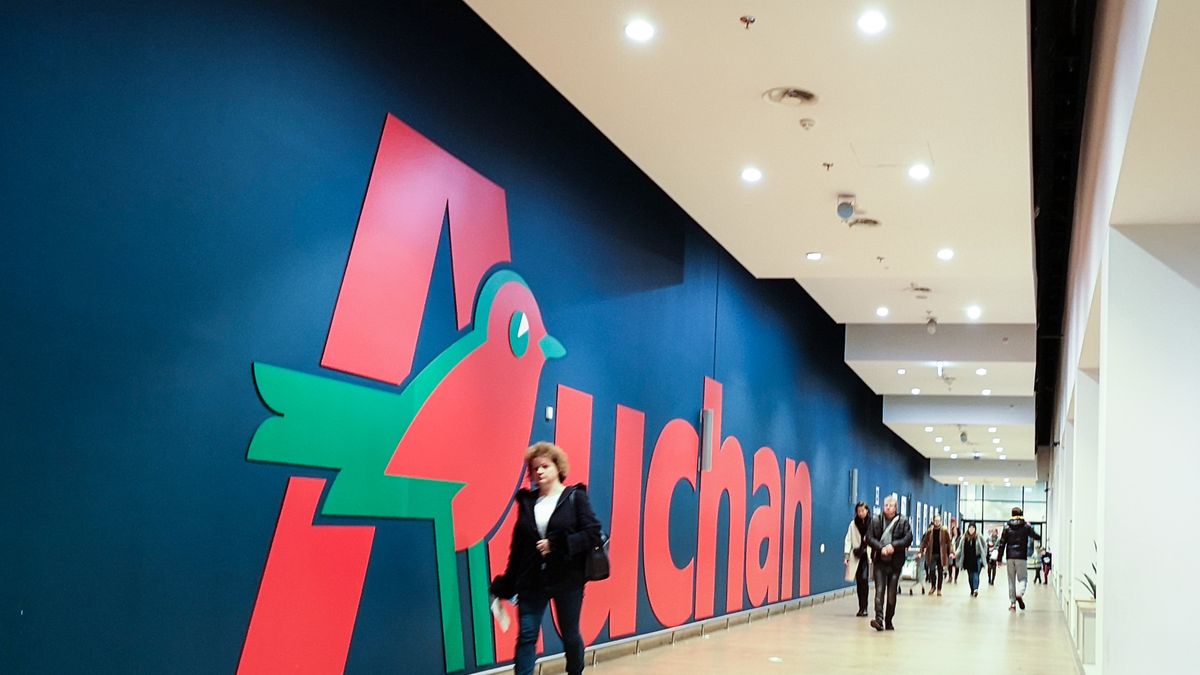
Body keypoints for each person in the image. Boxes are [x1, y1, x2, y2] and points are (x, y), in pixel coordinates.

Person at [490, 442, 603, 675]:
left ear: (557, 468)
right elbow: (518, 548)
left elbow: (593, 533)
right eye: (534, 468)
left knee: (570, 634)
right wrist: (507, 584)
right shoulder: (528, 503)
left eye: (544, 466)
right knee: (527, 636)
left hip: (567, 579)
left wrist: (558, 544)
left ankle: (575, 671)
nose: (538, 472)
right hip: (532, 581)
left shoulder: (575, 497)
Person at [866, 494, 913, 631]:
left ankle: (889, 619)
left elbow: (908, 538)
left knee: (892, 593)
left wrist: (894, 546)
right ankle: (879, 619)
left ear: (895, 507)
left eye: (890, 505)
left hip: (896, 563)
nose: (887, 508)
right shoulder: (875, 520)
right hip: (880, 561)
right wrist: (881, 548)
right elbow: (869, 538)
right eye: (885, 505)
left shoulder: (903, 521)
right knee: (879, 590)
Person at [995, 506, 1042, 611]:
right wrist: (1034, 531)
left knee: (1011, 580)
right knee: (1023, 578)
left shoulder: (1007, 526)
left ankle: (1012, 604)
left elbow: (1002, 543)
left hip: (1010, 557)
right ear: (1021, 514)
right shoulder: (1026, 526)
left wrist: (999, 559)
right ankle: (1019, 594)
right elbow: (1036, 536)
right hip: (1021, 557)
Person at [844, 501, 873, 617]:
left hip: (867, 555)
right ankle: (861, 607)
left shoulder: (872, 523)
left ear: (867, 511)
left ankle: (864, 607)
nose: (861, 513)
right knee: (859, 582)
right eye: (859, 511)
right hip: (856, 555)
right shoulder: (853, 524)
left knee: (864, 581)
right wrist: (846, 556)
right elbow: (848, 540)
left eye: (863, 510)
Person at [918, 515, 951, 596]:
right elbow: (924, 542)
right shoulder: (929, 531)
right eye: (936, 520)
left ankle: (939, 589)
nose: (937, 522)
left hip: (941, 555)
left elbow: (948, 542)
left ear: (941, 521)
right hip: (932, 554)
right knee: (932, 571)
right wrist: (921, 551)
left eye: (938, 520)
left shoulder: (944, 531)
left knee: (940, 572)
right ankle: (933, 586)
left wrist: (950, 552)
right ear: (933, 521)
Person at [956, 523, 986, 597]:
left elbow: (984, 545)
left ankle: (976, 589)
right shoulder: (964, 538)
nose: (971, 529)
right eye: (970, 528)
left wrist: (984, 555)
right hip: (968, 559)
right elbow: (960, 548)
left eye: (973, 528)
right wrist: (955, 554)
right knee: (970, 576)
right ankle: (972, 589)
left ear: (975, 529)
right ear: (968, 528)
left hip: (977, 559)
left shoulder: (979, 536)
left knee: (976, 574)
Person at [947, 518, 961, 584]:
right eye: (953, 530)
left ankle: (955, 578)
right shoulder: (951, 538)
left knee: (956, 566)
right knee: (950, 565)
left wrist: (957, 553)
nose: (954, 531)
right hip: (951, 553)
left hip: (957, 553)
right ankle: (950, 577)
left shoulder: (960, 538)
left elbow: (960, 546)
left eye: (955, 530)